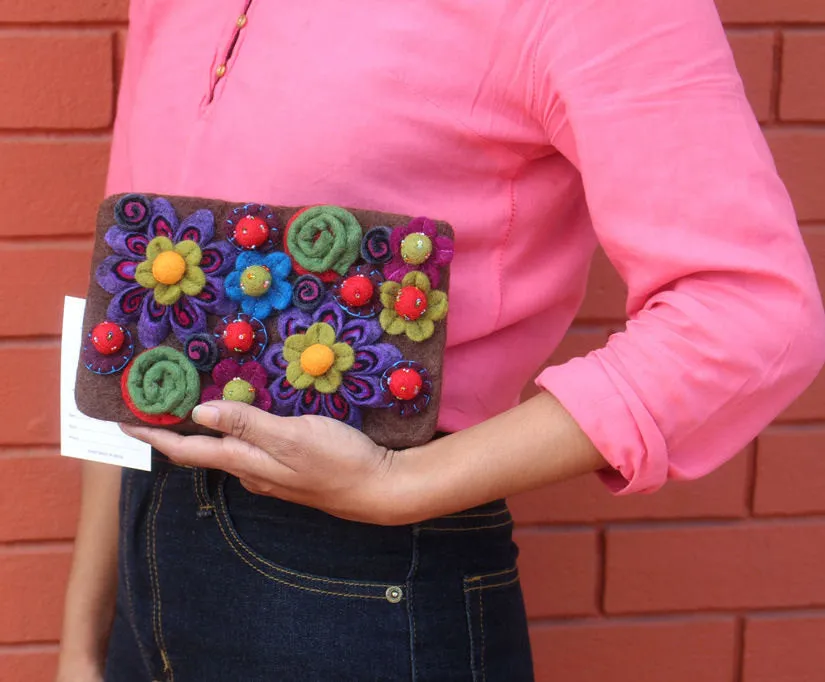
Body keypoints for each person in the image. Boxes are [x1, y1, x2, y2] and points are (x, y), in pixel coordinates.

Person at [57, 1, 825, 680]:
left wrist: (398, 484)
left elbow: (749, 308)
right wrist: (81, 648)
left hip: (351, 580)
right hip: (141, 554)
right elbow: (123, 318)